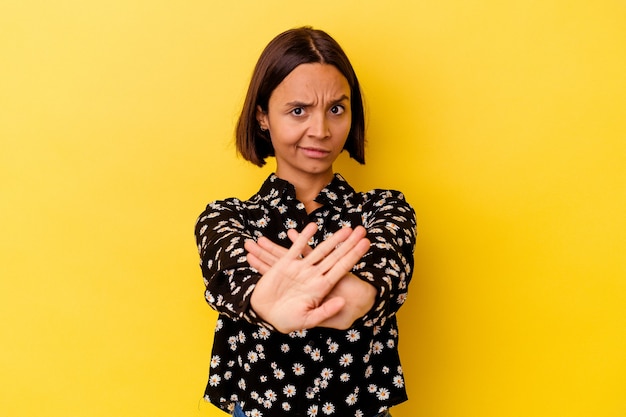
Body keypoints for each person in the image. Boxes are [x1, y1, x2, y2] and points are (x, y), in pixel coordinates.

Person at [195, 26, 417, 417]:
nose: (321, 130)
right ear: (263, 116)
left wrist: (359, 293)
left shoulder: (385, 211)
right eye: (299, 110)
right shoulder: (227, 220)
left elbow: (385, 269)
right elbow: (227, 273)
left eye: (336, 108)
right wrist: (265, 302)